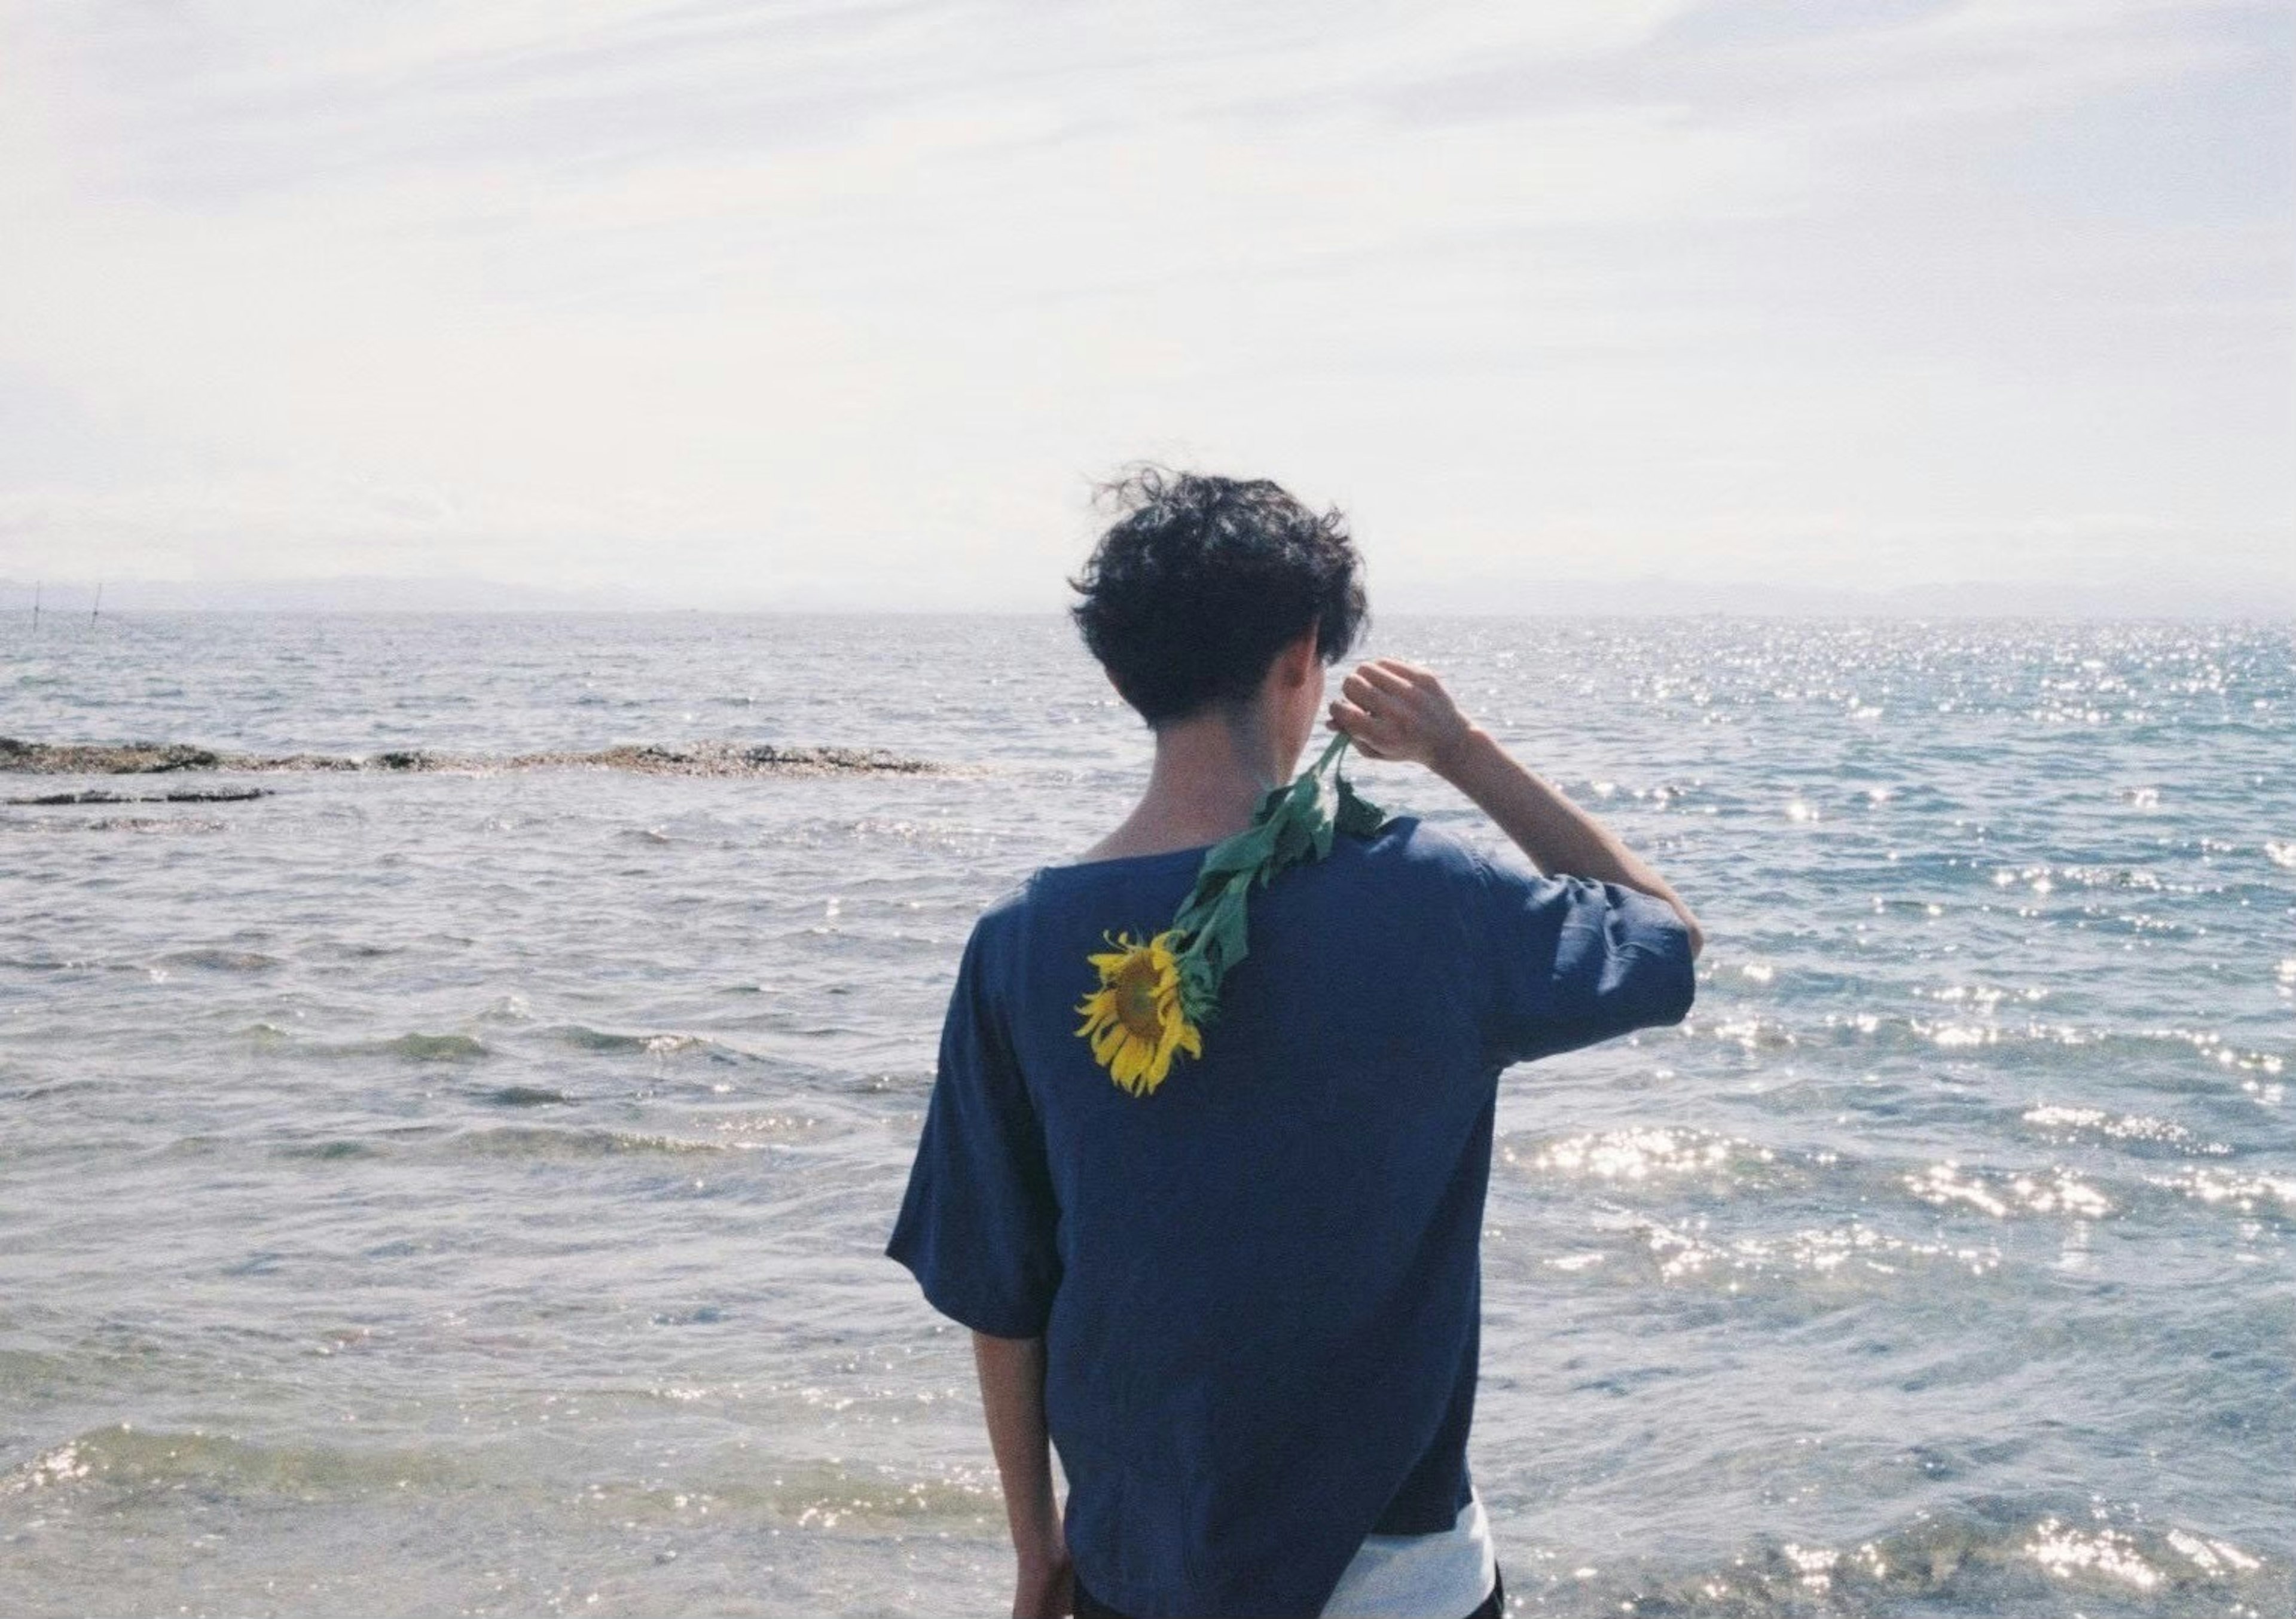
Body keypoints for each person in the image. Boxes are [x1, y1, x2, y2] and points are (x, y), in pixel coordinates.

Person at [885, 468, 1705, 1619]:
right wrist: (1461, 751)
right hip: (1400, 1581)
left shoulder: (1022, 947)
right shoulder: (1431, 897)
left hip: (1148, 1569)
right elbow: (1665, 935)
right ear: (1302, 659)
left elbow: (1002, 1290)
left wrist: (1036, 1546)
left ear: (1126, 673)